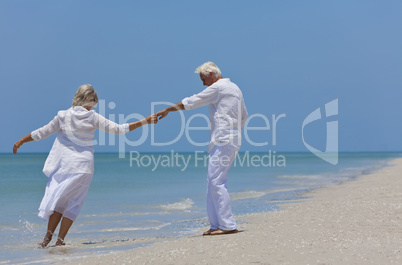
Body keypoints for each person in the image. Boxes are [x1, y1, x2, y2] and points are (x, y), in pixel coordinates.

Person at [13, 84, 158, 247]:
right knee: (73, 203)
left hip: (65, 166)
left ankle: (46, 239)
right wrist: (145, 121)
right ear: (90, 100)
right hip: (84, 166)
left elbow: (41, 132)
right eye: (93, 102)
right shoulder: (93, 117)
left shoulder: (63, 116)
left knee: (59, 201)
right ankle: (59, 241)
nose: (92, 106)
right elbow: (119, 129)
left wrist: (21, 141)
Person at [156, 62, 248, 236]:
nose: (203, 83)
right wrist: (235, 132)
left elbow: (193, 101)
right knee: (212, 181)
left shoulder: (219, 87)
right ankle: (216, 225)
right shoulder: (235, 88)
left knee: (216, 182)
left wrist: (168, 109)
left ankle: (227, 225)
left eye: (203, 79)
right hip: (231, 139)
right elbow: (244, 115)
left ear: (212, 74)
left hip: (223, 139)